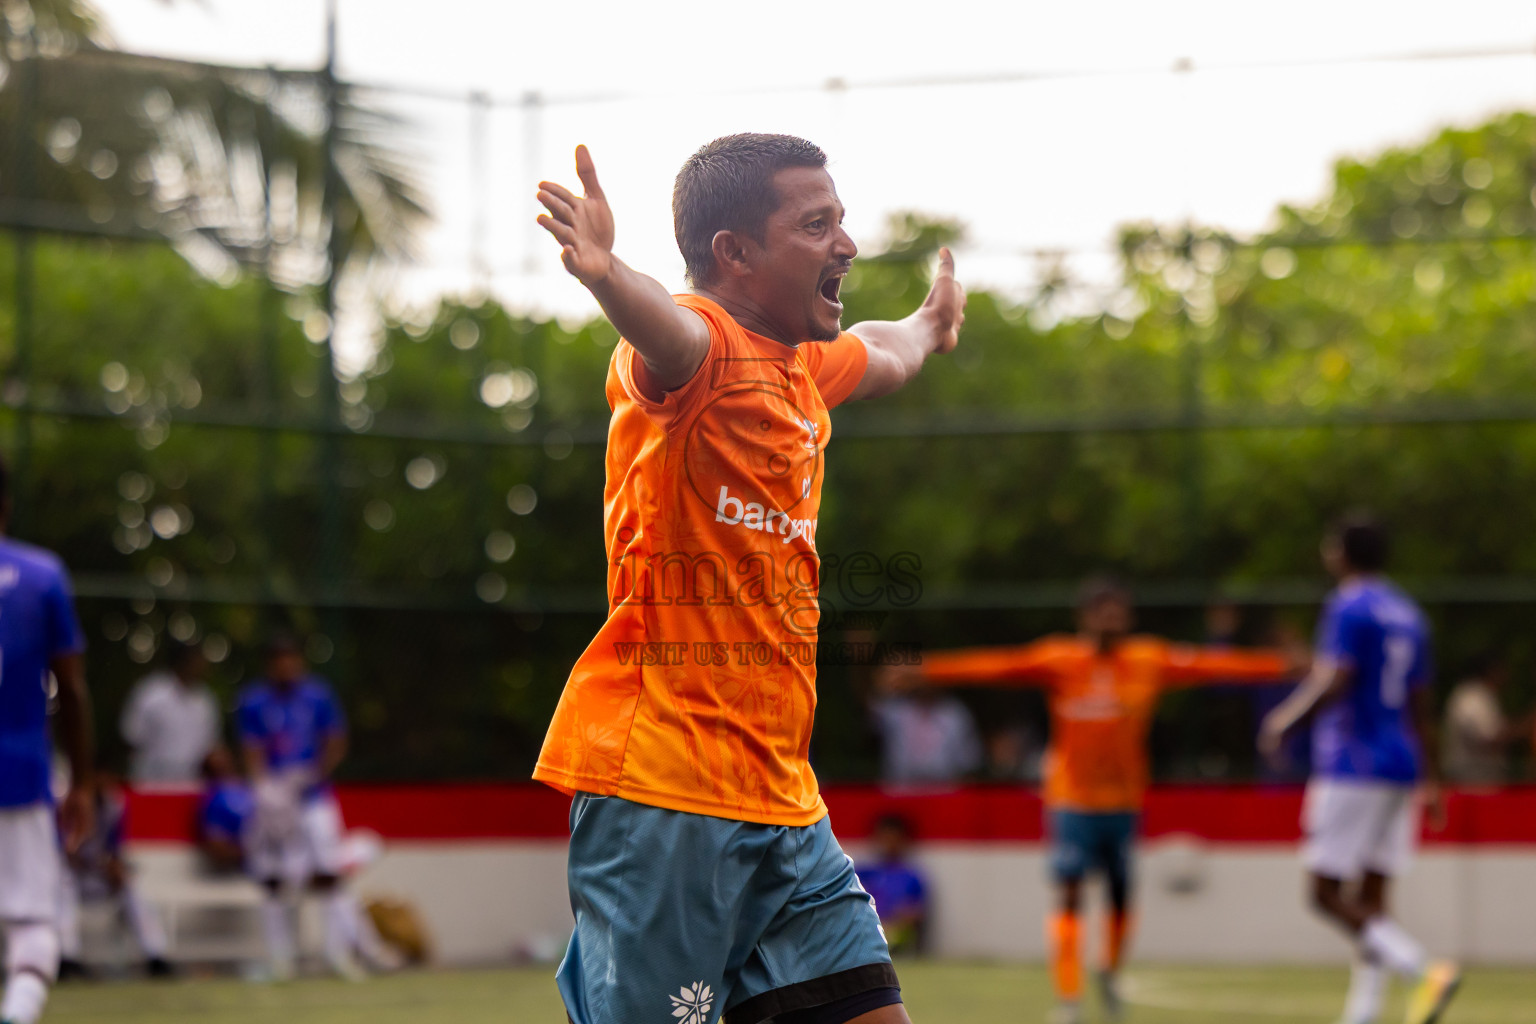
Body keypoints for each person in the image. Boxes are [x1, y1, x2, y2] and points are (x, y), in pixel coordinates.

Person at [532, 134, 964, 1024]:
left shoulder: (801, 365)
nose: (845, 243)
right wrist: (608, 275)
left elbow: (882, 351)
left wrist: (929, 325)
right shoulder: (697, 355)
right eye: (816, 225)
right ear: (735, 253)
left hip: (784, 803)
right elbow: (669, 326)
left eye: (840, 221)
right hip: (663, 795)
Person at [887, 576, 1298, 1024]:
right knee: (1069, 894)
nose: (1112, 620)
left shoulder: (1148, 659)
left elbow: (1211, 666)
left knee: (1121, 896)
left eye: (1119, 611)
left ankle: (1110, 970)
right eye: (1103, 611)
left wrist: (1278, 666)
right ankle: (1069, 998)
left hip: (1123, 801)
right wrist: (925, 668)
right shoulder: (1060, 659)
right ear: (1085, 617)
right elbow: (998, 666)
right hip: (1072, 800)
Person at [1259, 516, 1460, 1024]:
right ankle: (1363, 1014)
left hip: (1353, 761)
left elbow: (1337, 679)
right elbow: (1421, 703)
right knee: (1371, 901)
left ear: (1341, 554)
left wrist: (1286, 720)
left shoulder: (1348, 604)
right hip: (1401, 763)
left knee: (1324, 893)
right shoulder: (1409, 614)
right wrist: (1431, 778)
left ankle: (1420, 969)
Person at [0, 457, 93, 1024]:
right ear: (5, 504)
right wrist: (81, 781)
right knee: (35, 927)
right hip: (20, 773)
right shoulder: (42, 575)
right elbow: (73, 690)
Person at [236, 634, 369, 980]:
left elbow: (335, 741)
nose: (286, 667)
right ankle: (280, 958)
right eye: (279, 660)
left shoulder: (318, 695)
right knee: (273, 878)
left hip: (314, 798)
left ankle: (337, 953)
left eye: (291, 659)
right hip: (275, 804)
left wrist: (314, 774)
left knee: (328, 871)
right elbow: (252, 750)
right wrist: (266, 787)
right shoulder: (254, 701)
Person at [55, 773, 173, 980]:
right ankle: (68, 958)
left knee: (131, 889)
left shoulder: (113, 806)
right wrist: (94, 862)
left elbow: (115, 849)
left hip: (97, 876)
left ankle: (156, 956)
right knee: (64, 883)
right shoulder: (68, 803)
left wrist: (114, 867)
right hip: (71, 876)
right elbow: (63, 852)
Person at [120, 642, 218, 786]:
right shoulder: (150, 693)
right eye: (197, 660)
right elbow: (130, 737)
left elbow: (210, 747)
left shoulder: (205, 700)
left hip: (191, 785)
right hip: (150, 783)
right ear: (184, 661)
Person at [867, 678, 983, 784]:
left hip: (944, 793)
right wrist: (892, 680)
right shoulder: (894, 709)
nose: (926, 684)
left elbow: (969, 762)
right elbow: (871, 702)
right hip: (900, 793)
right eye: (921, 677)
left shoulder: (955, 714)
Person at [853, 816, 929, 956]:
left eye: (894, 838)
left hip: (895, 937)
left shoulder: (911, 877)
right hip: (863, 933)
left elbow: (917, 912)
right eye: (885, 838)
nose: (890, 843)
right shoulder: (862, 872)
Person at [1441, 653, 1519, 784]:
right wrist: (1523, 727)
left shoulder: (1482, 696)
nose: (1506, 675)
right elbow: (1486, 739)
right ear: (1491, 671)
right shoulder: (1471, 698)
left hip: (1481, 780)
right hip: (1472, 783)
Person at [196, 747, 253, 874]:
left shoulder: (250, 788)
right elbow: (217, 847)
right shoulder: (214, 803)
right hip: (251, 867)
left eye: (227, 764)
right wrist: (254, 852)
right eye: (218, 768)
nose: (226, 768)